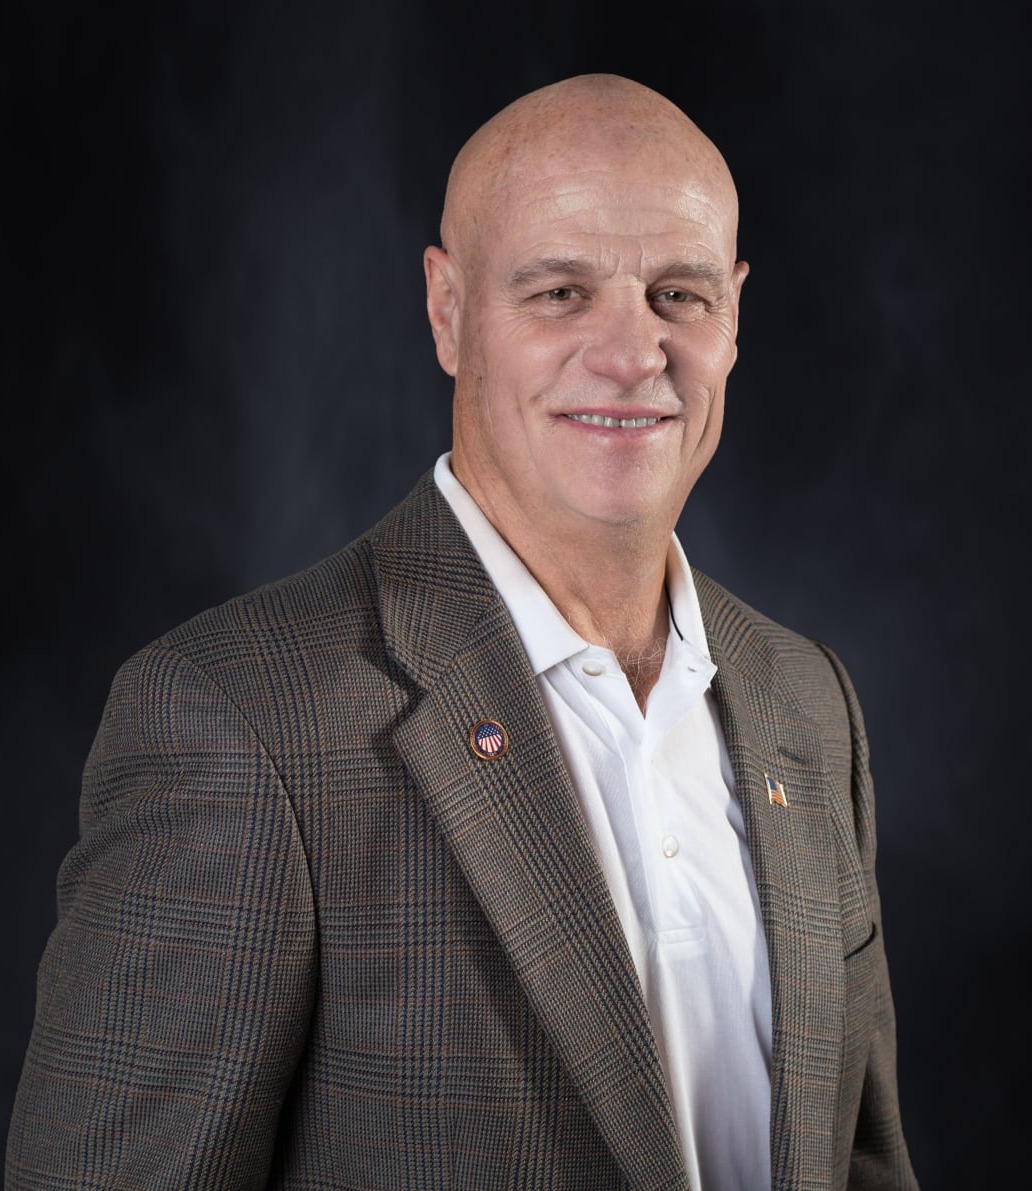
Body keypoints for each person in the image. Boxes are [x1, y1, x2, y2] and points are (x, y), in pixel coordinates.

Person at [6, 73, 919, 1189]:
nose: (632, 354)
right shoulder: (239, 722)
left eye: (678, 295)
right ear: (448, 311)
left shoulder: (807, 702)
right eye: (561, 293)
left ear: (733, 313)